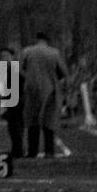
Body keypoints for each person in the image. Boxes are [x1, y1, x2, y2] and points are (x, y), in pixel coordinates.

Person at [20, 30, 69, 159]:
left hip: (31, 90)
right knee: (49, 122)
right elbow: (63, 72)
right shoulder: (54, 52)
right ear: (47, 41)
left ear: (37, 39)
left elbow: (20, 69)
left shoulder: (27, 51)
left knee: (32, 121)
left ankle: (32, 151)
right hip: (50, 90)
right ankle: (49, 151)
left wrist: (29, 78)